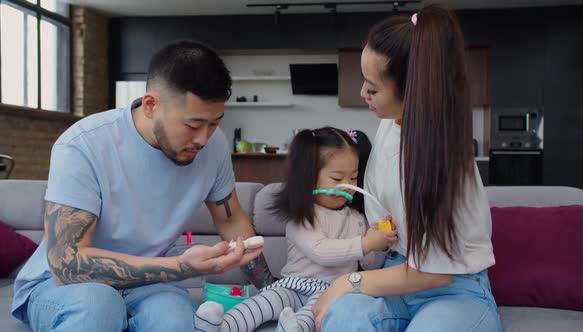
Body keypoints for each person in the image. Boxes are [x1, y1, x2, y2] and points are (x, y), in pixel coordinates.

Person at [11, 40, 275, 331]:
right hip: (62, 285)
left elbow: (231, 218)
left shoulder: (214, 146)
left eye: (214, 123)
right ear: (150, 105)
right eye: (193, 124)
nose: (203, 138)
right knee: (99, 306)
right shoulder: (83, 144)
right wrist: (181, 267)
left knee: (176, 319)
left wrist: (272, 291)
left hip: (146, 282)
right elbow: (66, 266)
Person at [312, 4, 501, 332]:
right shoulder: (391, 122)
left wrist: (349, 282)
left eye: (373, 88)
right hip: (396, 273)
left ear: (412, 93)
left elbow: (435, 273)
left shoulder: (443, 159)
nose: (362, 94)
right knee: (343, 318)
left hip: (450, 285)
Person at [194, 127, 398, 332]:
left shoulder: (357, 220)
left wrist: (379, 246)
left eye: (353, 178)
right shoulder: (302, 217)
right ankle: (221, 326)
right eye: (337, 179)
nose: (347, 186)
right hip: (292, 285)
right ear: (309, 177)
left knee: (314, 312)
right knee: (264, 302)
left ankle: (293, 328)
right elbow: (321, 251)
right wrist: (365, 243)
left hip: (332, 289)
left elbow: (368, 265)